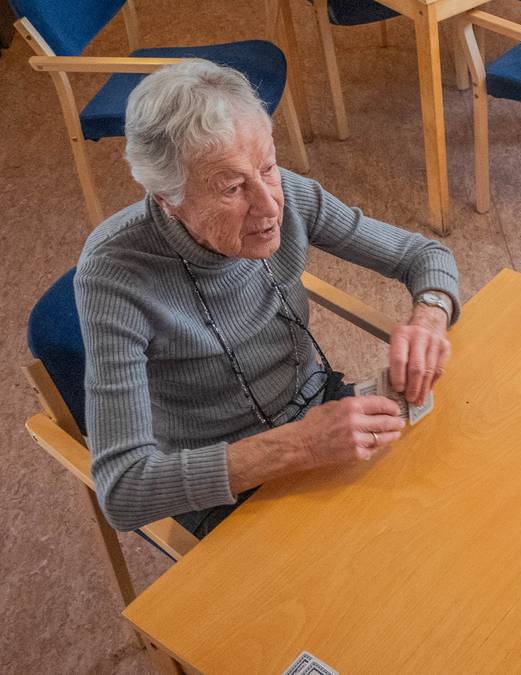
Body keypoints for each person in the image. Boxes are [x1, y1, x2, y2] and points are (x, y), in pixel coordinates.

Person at [76, 60, 461, 538]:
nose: (269, 205)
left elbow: (423, 254)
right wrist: (296, 447)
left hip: (316, 409)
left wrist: (429, 316)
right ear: (167, 199)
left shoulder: (286, 196)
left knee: (441, 512)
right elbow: (125, 490)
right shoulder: (113, 275)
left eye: (268, 166)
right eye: (233, 188)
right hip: (219, 478)